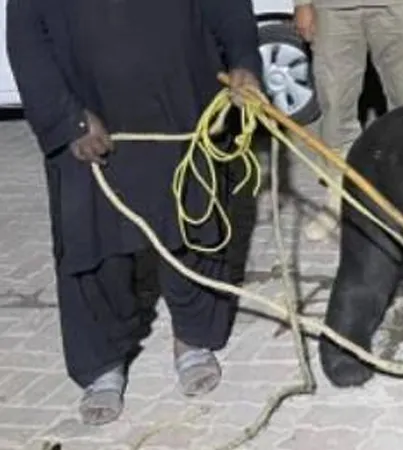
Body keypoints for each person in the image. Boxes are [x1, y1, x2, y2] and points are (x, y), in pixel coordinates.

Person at [7, 0, 263, 425]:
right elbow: (26, 37)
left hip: (184, 106)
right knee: (94, 245)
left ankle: (193, 335)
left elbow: (230, 9)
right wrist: (65, 118)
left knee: (193, 222)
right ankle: (103, 363)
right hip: (90, 120)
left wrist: (244, 62)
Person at [296, 0, 403, 240]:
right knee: (335, 107)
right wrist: (302, 3)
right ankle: (338, 199)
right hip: (334, 9)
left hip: (400, 7)